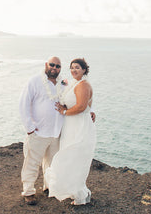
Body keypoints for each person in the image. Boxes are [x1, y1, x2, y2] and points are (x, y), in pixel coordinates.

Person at [45, 58, 96, 205]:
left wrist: (64, 112)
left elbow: (81, 106)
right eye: (72, 67)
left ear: (84, 70)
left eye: (77, 68)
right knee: (70, 157)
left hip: (79, 126)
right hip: (70, 126)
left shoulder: (83, 85)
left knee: (75, 157)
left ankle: (80, 194)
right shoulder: (71, 83)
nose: (74, 70)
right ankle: (77, 192)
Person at [19, 56, 66, 205]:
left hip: (55, 132)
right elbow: (23, 105)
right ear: (46, 65)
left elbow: (75, 98)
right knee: (32, 162)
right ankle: (28, 191)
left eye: (58, 66)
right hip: (38, 132)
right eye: (52, 65)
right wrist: (30, 129)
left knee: (52, 163)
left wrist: (90, 110)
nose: (54, 68)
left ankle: (48, 187)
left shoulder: (63, 84)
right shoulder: (34, 81)